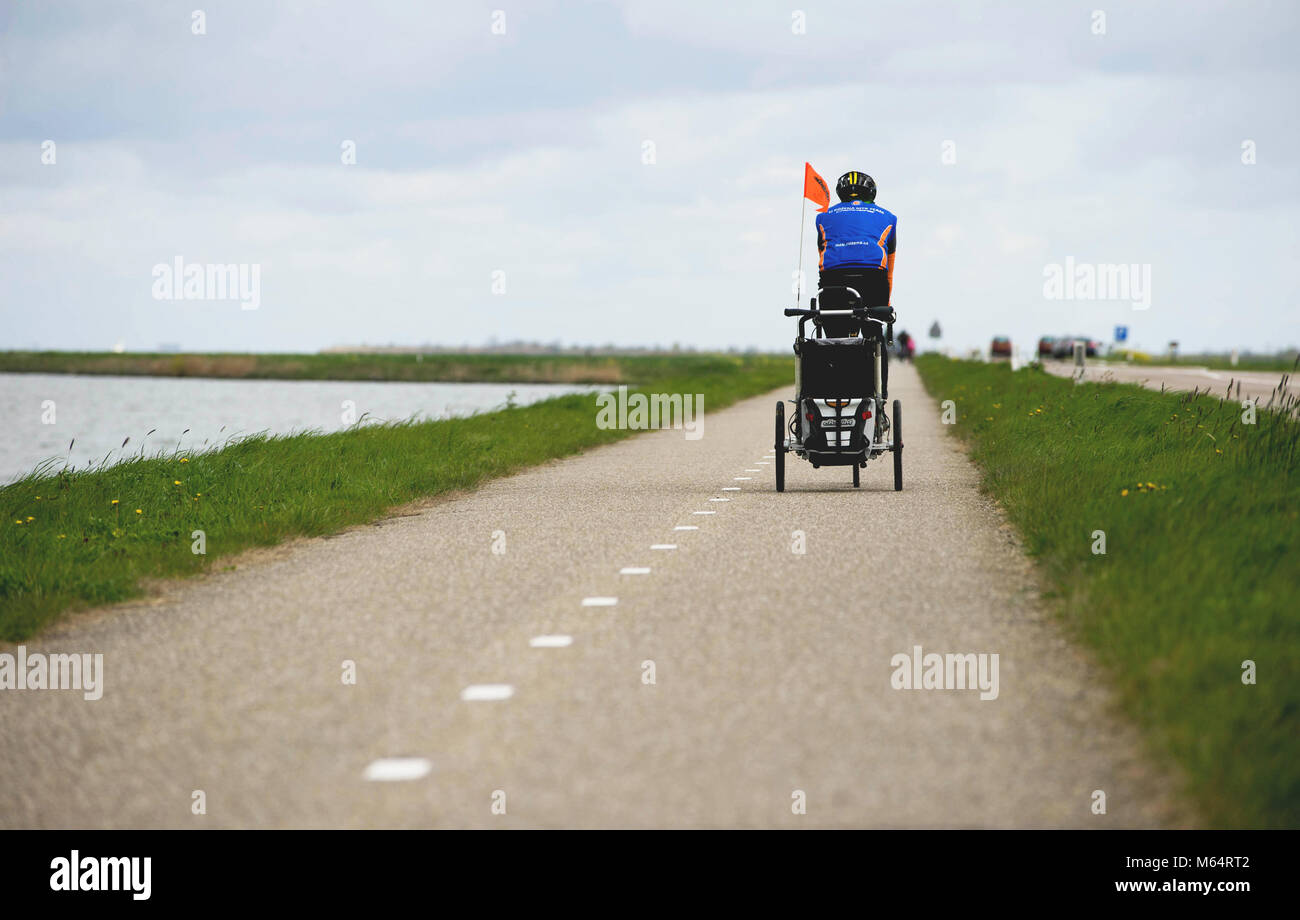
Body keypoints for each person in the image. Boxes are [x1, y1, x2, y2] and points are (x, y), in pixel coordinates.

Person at [814, 171, 898, 395]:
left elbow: (823, 258)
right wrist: (884, 308)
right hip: (874, 281)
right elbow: (889, 267)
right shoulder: (889, 217)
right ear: (872, 193)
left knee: (834, 340)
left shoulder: (822, 217)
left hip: (833, 284)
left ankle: (834, 391)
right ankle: (879, 397)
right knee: (874, 334)